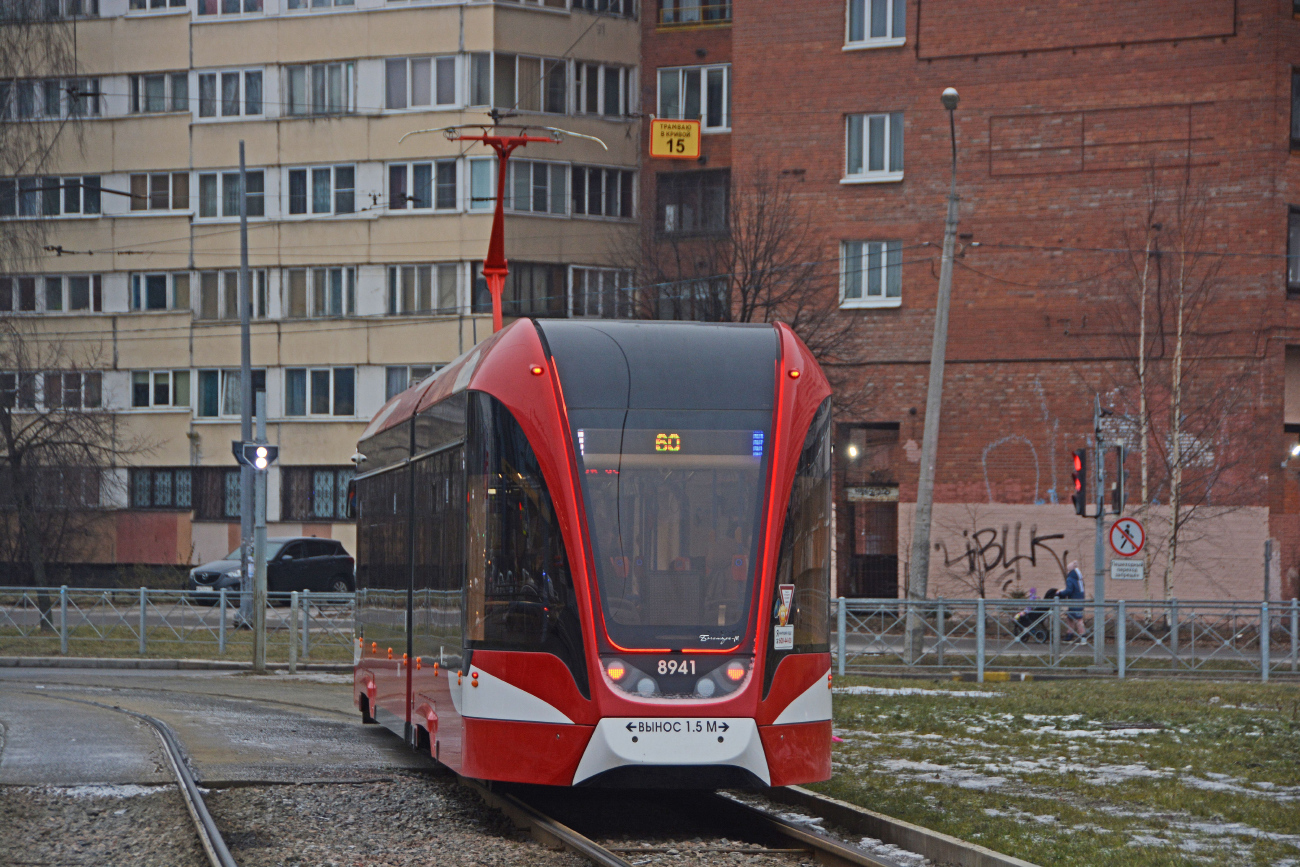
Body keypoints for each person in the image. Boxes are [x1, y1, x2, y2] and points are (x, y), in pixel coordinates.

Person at [1062, 560, 1087, 643]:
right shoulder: (1079, 579)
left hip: (1073, 601)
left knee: (1078, 619)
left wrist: (1060, 593)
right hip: (1080, 600)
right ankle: (1070, 634)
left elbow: (1069, 590)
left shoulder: (1070, 579)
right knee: (1070, 617)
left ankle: (1082, 636)